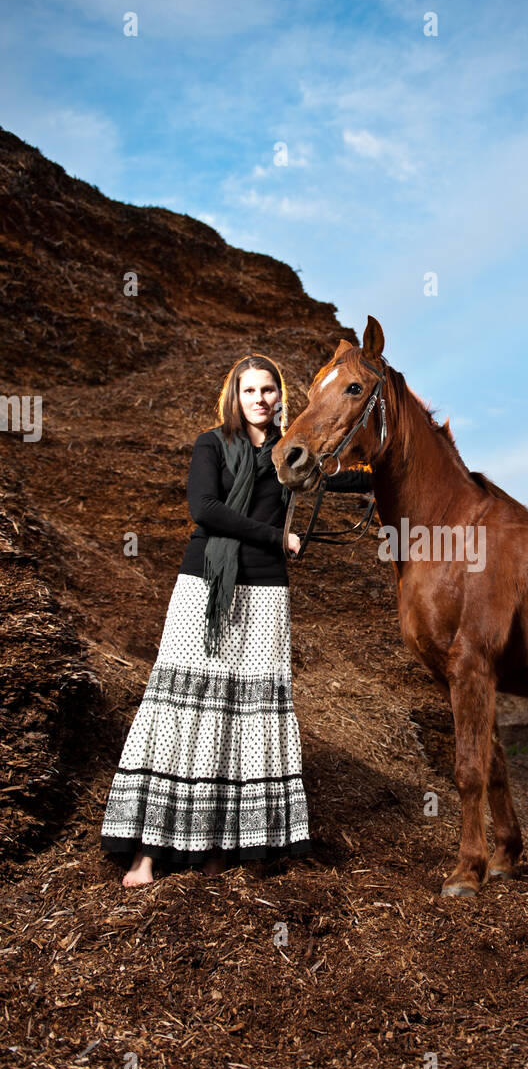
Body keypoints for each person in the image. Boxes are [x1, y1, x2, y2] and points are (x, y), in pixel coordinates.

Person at [100, 352, 372, 887]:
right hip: (205, 582)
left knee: (238, 718)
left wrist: (385, 473)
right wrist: (277, 537)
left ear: (280, 396)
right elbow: (204, 509)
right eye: (250, 391)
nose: (261, 400)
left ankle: (216, 847)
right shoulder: (213, 444)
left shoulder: (290, 452)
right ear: (235, 396)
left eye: (269, 390)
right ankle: (149, 851)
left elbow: (342, 477)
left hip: (265, 590)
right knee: (183, 711)